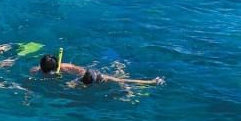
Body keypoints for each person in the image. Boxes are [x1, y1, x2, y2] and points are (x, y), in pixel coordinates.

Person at [30, 53, 164, 88]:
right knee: (119, 80)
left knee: (119, 80)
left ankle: (151, 82)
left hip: (91, 75)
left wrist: (80, 81)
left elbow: (83, 71)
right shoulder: (36, 71)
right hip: (83, 79)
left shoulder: (66, 67)